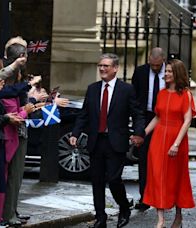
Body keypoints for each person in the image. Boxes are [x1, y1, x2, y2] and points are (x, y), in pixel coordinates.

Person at [69, 53, 145, 228]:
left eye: (106, 66)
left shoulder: (126, 90)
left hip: (116, 142)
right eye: (100, 66)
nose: (102, 69)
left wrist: (139, 133)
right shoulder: (93, 89)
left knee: (113, 178)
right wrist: (75, 133)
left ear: (115, 68)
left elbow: (138, 114)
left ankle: (124, 207)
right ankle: (100, 218)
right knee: (96, 180)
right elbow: (84, 115)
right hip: (96, 141)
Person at [143, 59, 196, 228]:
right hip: (158, 139)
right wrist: (143, 134)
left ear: (177, 74)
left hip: (177, 139)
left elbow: (187, 120)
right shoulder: (161, 93)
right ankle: (160, 220)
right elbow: (158, 117)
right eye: (166, 71)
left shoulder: (186, 94)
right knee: (157, 176)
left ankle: (178, 216)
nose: (166, 74)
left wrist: (176, 144)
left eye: (170, 72)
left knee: (176, 177)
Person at [131, 47, 166, 211]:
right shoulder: (140, 72)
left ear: (163, 60)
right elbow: (135, 98)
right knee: (144, 158)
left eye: (158, 66)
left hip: (166, 120)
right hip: (145, 117)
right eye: (152, 65)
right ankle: (144, 197)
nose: (155, 69)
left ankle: (163, 195)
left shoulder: (172, 72)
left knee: (163, 159)